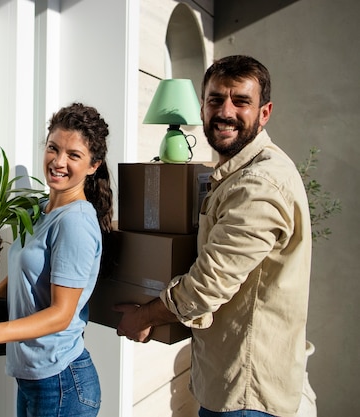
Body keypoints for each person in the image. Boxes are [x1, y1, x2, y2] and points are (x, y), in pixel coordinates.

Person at [115, 55, 312, 417]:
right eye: (216, 99)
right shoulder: (234, 173)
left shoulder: (258, 185)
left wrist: (144, 316)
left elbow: (207, 286)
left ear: (264, 112)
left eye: (241, 102)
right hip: (227, 380)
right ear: (203, 108)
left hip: (246, 393)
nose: (225, 111)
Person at [0, 103, 113, 417]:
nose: (59, 162)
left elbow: (62, 314)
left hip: (61, 382)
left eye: (73, 155)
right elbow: (23, 279)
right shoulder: (40, 210)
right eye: (53, 148)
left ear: (93, 165)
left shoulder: (74, 222)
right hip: (34, 377)